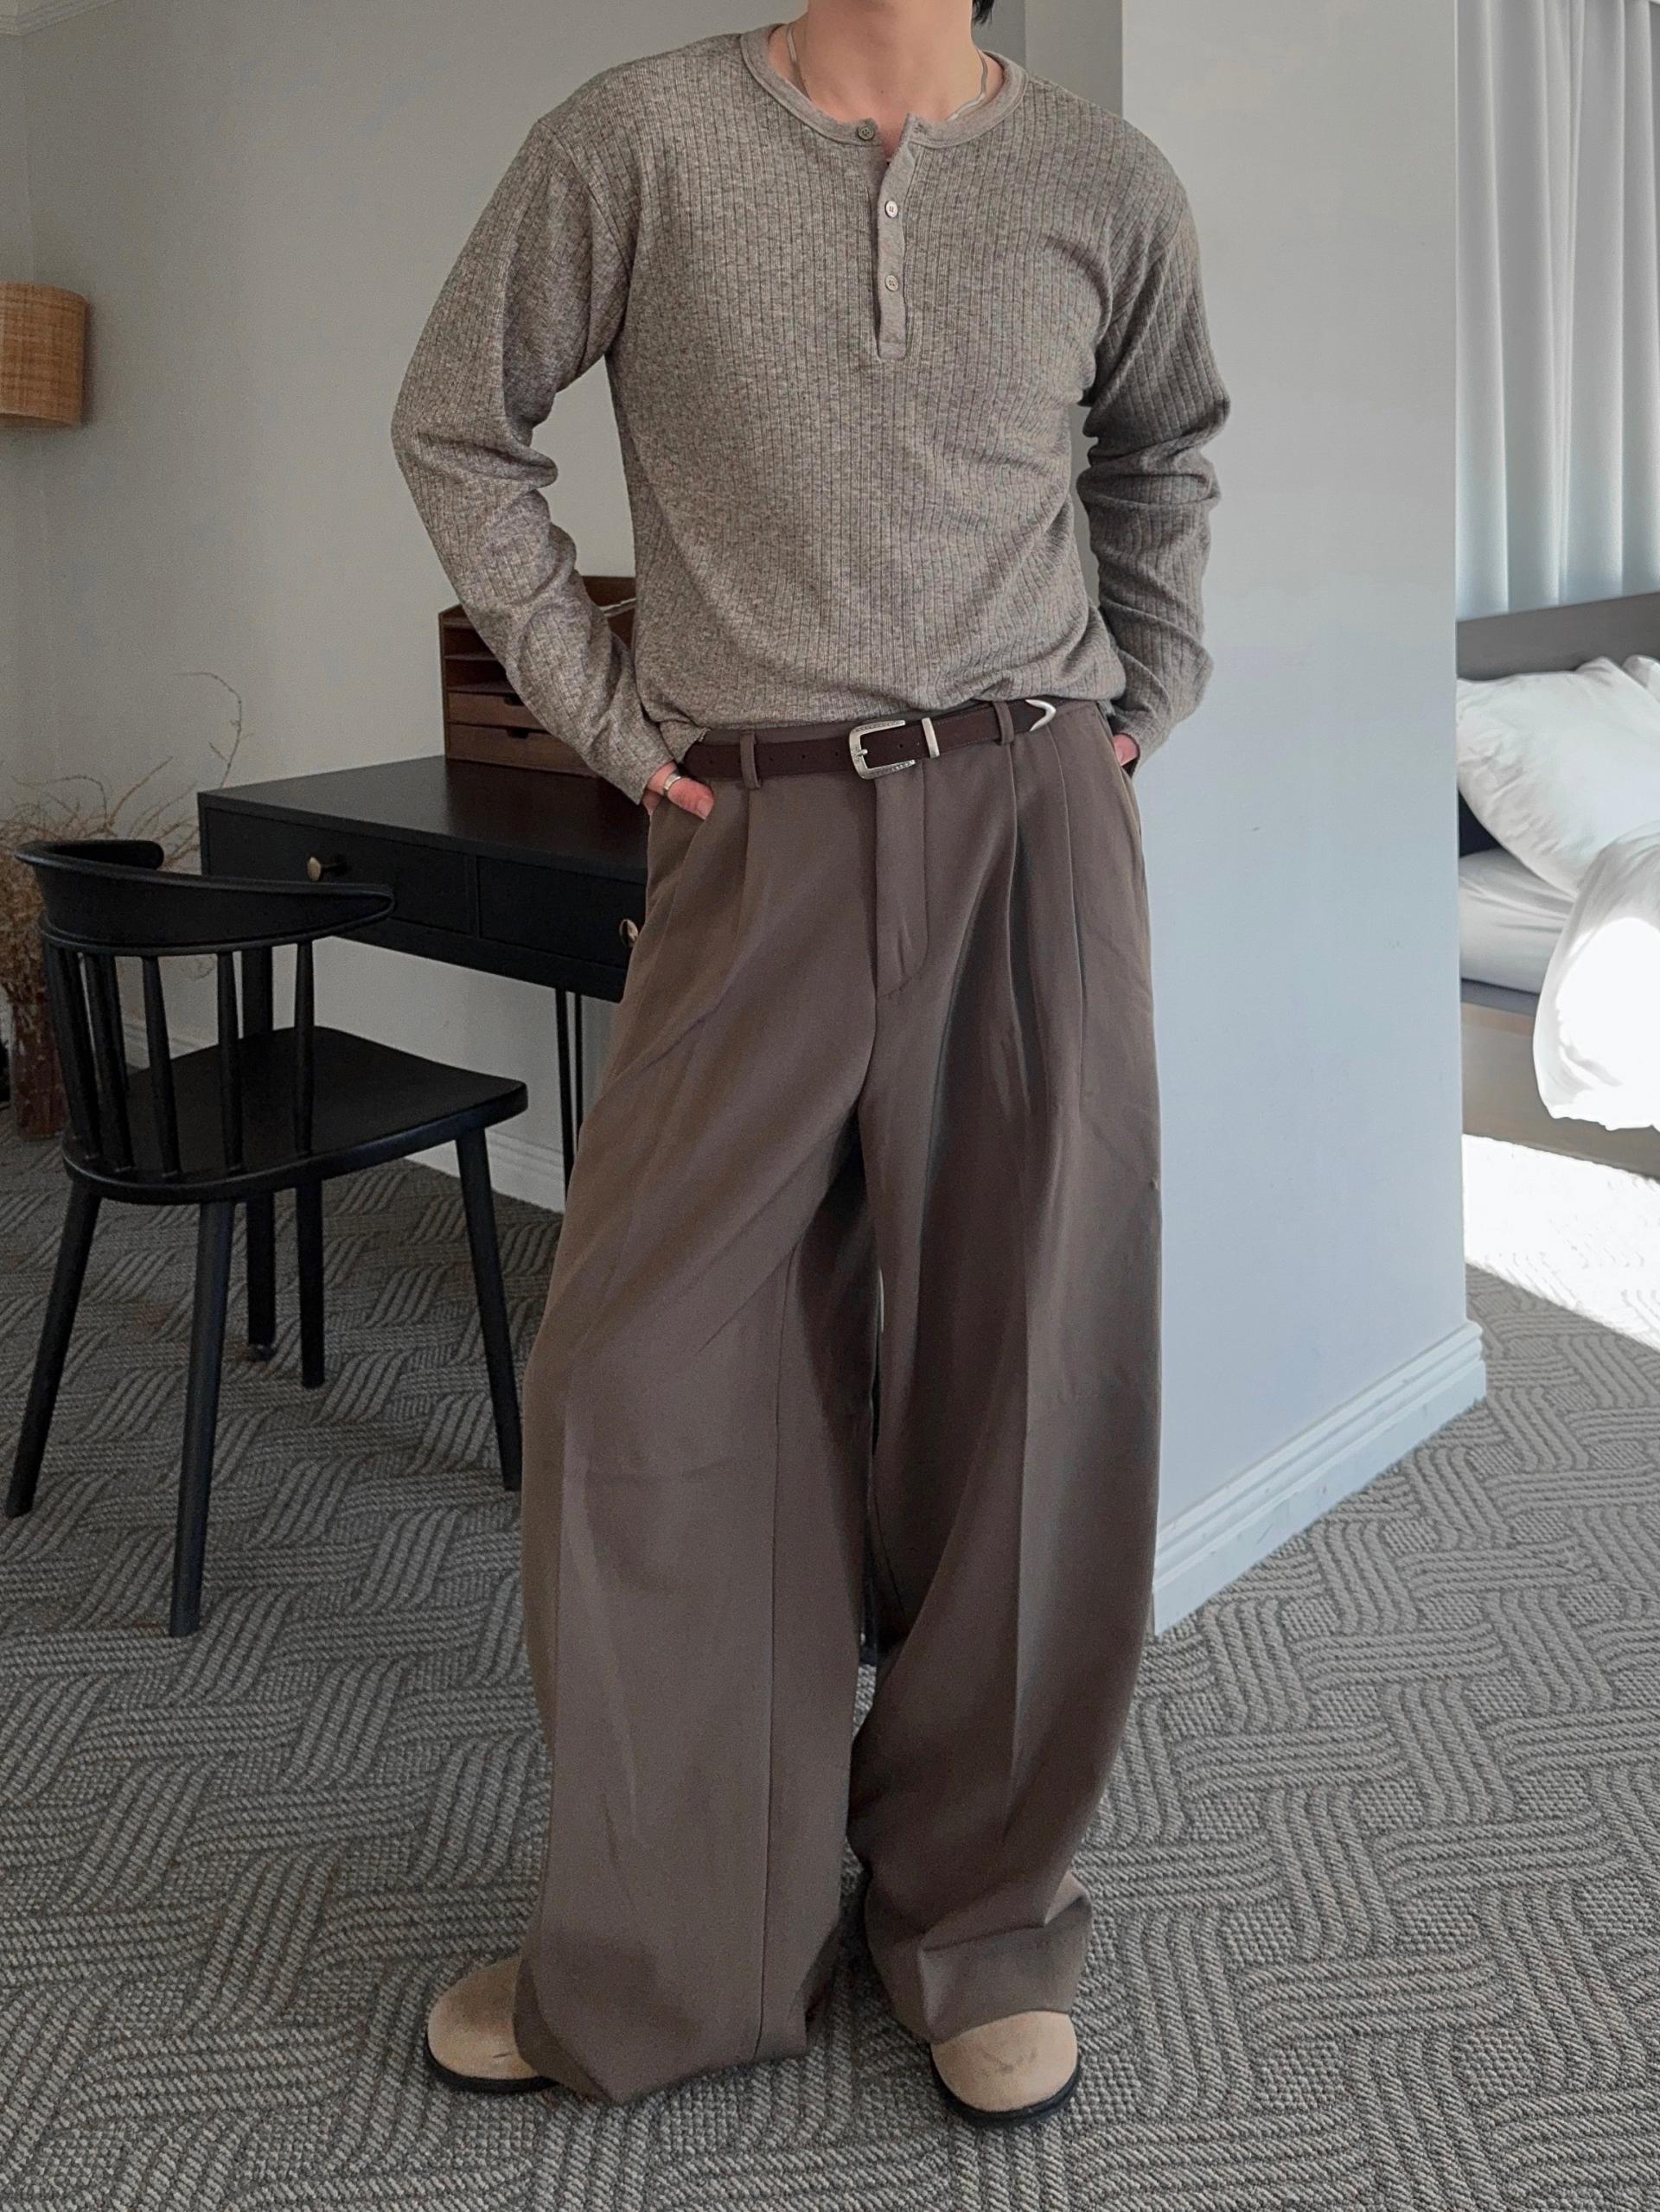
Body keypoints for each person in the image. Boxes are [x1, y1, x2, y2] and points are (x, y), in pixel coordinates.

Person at [389, 0, 1229, 2127]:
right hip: (750, 823)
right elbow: (458, 426)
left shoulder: (1106, 183)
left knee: (1029, 1370)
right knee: (642, 1374)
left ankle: (978, 1920)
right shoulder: (634, 143)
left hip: (1029, 814)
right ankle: (679, 1943)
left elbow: (1162, 450)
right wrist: (608, 717)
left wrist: (1142, 688)